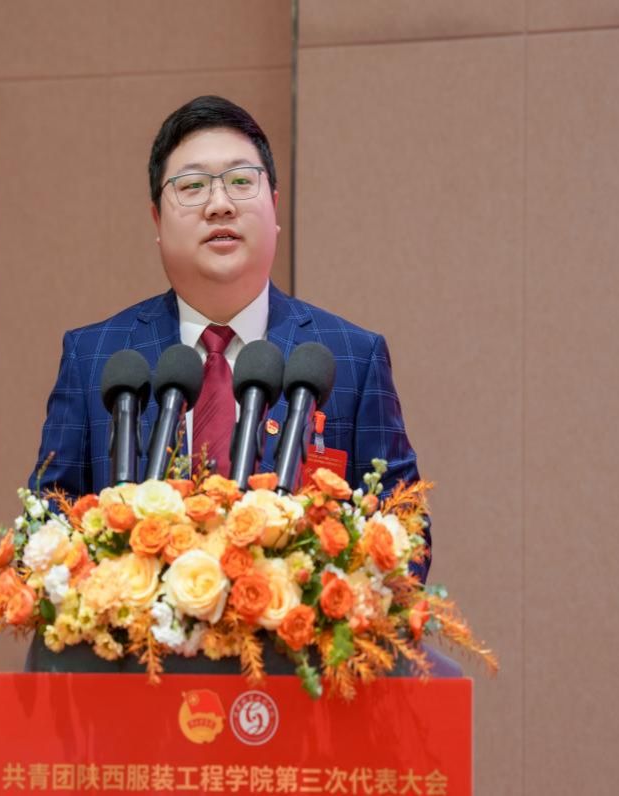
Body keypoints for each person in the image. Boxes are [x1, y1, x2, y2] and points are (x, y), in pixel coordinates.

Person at [25, 95, 444, 674]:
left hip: (302, 685)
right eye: (192, 186)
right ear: (157, 219)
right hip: (133, 684)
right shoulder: (97, 355)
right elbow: (47, 523)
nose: (219, 203)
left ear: (274, 207)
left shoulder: (350, 355)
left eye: (241, 182)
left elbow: (406, 529)